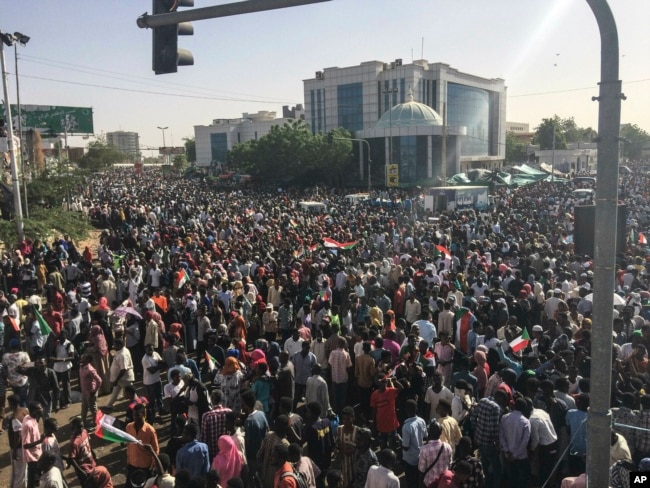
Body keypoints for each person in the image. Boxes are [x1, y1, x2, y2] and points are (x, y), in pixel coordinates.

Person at [499, 397, 532, 487]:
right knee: (522, 481)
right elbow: (525, 442)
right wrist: (515, 455)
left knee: (511, 480)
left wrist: (507, 451)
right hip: (521, 457)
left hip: (508, 456)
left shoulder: (504, 418)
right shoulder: (526, 422)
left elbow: (501, 436)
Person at [126, 403, 159, 486]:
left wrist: (152, 466)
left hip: (145, 467)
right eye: (134, 415)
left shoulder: (150, 430)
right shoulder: (129, 427)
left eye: (137, 415)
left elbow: (156, 449)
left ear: (144, 415)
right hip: (132, 465)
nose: (135, 418)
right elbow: (128, 444)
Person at [418, 419, 453, 488]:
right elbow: (450, 464)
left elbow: (421, 469)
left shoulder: (424, 449)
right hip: (444, 482)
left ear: (429, 433)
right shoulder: (447, 446)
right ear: (440, 433)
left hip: (430, 483)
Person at [401, 399, 428, 487]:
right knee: (417, 479)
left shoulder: (406, 427)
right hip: (420, 456)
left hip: (410, 459)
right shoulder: (421, 421)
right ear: (416, 409)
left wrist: (399, 439)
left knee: (410, 481)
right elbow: (425, 437)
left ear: (406, 410)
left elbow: (406, 447)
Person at [200, 389, 233, 461]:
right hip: (228, 450)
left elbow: (204, 438)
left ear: (211, 400)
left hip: (213, 453)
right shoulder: (229, 412)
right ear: (221, 399)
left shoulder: (206, 416)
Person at [370, 376, 403, 449]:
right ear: (379, 382)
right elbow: (374, 410)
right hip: (381, 425)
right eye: (383, 381)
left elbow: (401, 388)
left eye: (385, 381)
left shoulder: (391, 391)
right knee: (383, 447)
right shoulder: (374, 395)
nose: (384, 383)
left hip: (392, 425)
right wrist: (373, 422)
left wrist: (395, 381)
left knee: (392, 446)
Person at [105, 338, 135, 410]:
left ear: (119, 345)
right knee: (115, 391)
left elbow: (123, 369)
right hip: (120, 378)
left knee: (131, 393)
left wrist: (116, 380)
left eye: (114, 345)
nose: (113, 346)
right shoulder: (121, 351)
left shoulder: (123, 355)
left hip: (124, 378)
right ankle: (109, 405)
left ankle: (137, 406)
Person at [21, 401, 44, 488]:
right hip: (32, 456)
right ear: (33, 411)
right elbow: (25, 445)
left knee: (36, 476)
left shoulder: (32, 418)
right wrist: (40, 441)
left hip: (37, 452)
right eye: (39, 408)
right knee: (32, 477)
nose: (42, 409)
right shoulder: (28, 424)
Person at [7, 394, 28, 488]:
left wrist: (14, 450)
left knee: (18, 472)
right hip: (26, 444)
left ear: (11, 404)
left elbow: (17, 435)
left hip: (18, 448)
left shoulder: (14, 417)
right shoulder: (25, 410)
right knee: (24, 470)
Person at [142, 342, 166, 419]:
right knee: (152, 399)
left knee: (160, 395)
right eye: (148, 350)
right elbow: (151, 371)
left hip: (157, 379)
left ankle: (161, 409)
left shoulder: (155, 354)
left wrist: (158, 366)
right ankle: (152, 413)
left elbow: (161, 362)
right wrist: (159, 366)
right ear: (145, 350)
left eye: (151, 350)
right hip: (149, 382)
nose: (150, 352)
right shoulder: (145, 359)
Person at [79, 353, 103, 431]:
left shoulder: (90, 369)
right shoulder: (81, 366)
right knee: (84, 408)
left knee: (93, 410)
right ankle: (83, 423)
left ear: (87, 360)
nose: (81, 358)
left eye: (83, 357)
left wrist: (94, 391)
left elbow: (99, 380)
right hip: (84, 392)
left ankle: (96, 424)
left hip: (90, 393)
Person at [88, 324, 112, 396]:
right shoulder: (102, 336)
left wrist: (88, 349)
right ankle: (108, 388)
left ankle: (102, 390)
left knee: (100, 373)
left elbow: (95, 348)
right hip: (104, 356)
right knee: (106, 372)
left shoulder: (97, 338)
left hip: (98, 358)